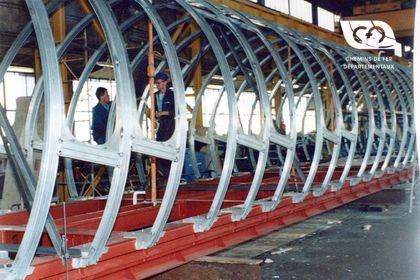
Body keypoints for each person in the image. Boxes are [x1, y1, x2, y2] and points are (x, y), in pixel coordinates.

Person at [154, 72, 175, 177]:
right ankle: (163, 173)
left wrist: (163, 113)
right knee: (159, 147)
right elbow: (154, 111)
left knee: (168, 147)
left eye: (159, 83)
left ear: (165, 82)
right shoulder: (155, 95)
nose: (157, 85)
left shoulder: (172, 95)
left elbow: (175, 111)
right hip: (160, 125)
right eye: (156, 83)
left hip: (170, 125)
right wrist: (156, 114)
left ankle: (169, 173)